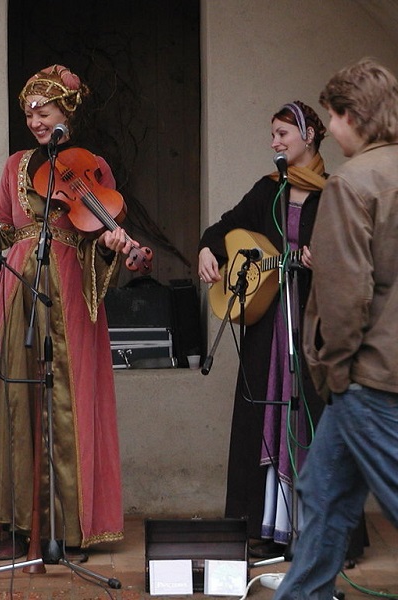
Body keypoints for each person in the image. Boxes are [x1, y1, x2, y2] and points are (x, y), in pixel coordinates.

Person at [0, 64, 135, 560]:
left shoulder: (93, 165)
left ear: (66, 112)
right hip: (19, 287)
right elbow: (2, 233)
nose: (35, 121)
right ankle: (17, 526)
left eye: (43, 112)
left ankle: (69, 530)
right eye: (29, 114)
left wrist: (112, 244)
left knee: (68, 403)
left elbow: (99, 234)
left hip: (69, 290)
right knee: (17, 399)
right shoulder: (15, 166)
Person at [273, 57, 398, 600]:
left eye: (333, 116)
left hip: (367, 377)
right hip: (374, 375)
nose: (331, 128)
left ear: (351, 115)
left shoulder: (350, 183)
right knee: (322, 498)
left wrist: (334, 370)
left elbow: (346, 295)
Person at [198, 100, 332, 557]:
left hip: (313, 328)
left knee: (310, 418)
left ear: (308, 135)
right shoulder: (268, 190)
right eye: (272, 134)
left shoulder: (334, 194)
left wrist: (323, 261)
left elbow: (357, 258)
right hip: (267, 328)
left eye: (282, 133)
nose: (274, 142)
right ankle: (262, 526)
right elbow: (224, 228)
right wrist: (207, 249)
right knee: (264, 416)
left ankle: (316, 532)